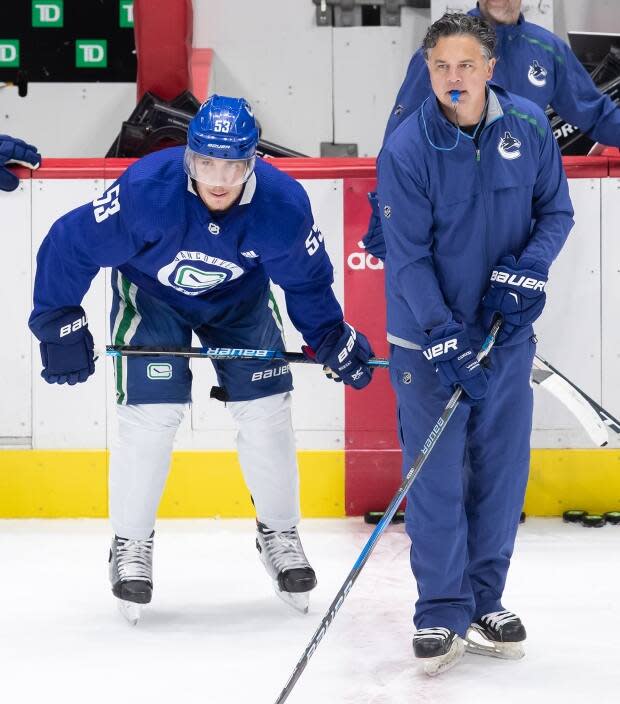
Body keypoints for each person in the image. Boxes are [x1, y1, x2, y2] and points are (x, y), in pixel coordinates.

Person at [28, 95, 374, 623]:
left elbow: (306, 281)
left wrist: (329, 332)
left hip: (240, 300)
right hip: (153, 295)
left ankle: (279, 534)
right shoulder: (147, 191)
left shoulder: (282, 206)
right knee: (151, 416)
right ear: (188, 156)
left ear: (253, 160)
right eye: (206, 162)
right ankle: (130, 544)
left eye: (232, 164)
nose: (218, 178)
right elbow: (69, 243)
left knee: (267, 411)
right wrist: (57, 322)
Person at [376, 13, 573, 675]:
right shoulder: (406, 148)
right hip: (428, 344)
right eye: (440, 67)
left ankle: (486, 599)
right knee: (437, 478)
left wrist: (529, 271)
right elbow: (406, 259)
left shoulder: (529, 127)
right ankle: (440, 608)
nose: (452, 78)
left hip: (505, 336)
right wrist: (440, 337)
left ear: (491, 68)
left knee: (499, 473)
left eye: (465, 65)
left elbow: (555, 213)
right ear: (426, 71)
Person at [364, 0, 619, 259]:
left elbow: (595, 113)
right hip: (451, 217)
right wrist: (385, 210)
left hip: (516, 216)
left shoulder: (547, 49)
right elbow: (399, 138)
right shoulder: (445, 49)